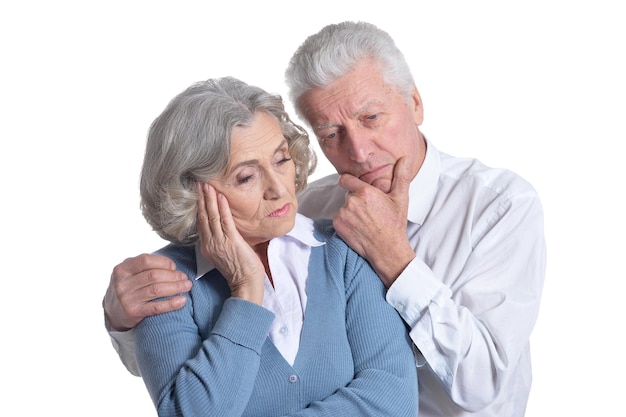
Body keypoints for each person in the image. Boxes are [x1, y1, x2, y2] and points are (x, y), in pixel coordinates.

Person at [104, 21, 546, 417]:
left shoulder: (499, 205)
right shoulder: (307, 210)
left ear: (414, 102)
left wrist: (395, 260)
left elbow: (481, 383)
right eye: (331, 134)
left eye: (371, 117)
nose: (357, 151)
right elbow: (176, 381)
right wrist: (125, 318)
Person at [125, 76, 418, 416]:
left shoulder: (345, 254)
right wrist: (246, 290)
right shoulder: (161, 284)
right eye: (246, 177)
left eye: (281, 159)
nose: (279, 188)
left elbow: (394, 402)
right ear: (191, 193)